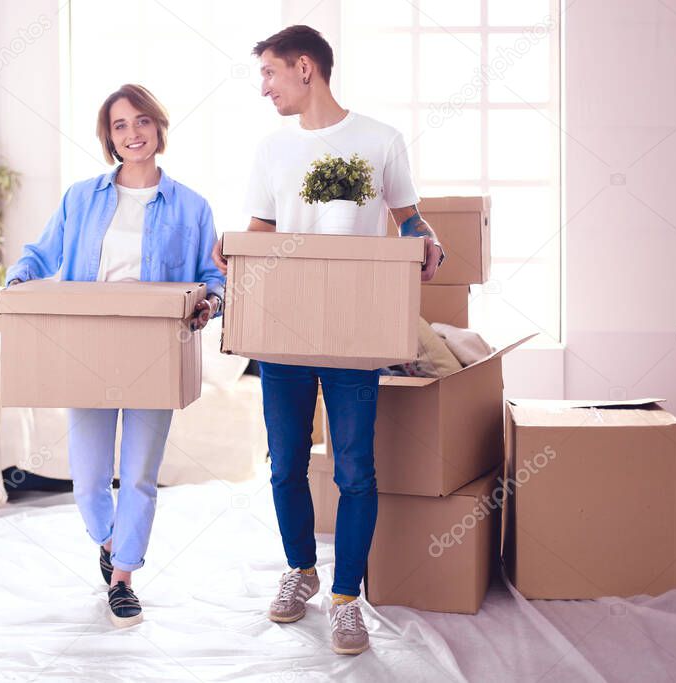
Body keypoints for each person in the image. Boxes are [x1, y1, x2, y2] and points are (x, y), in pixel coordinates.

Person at [212, 26, 445, 656]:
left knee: (355, 470)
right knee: (285, 463)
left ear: (305, 68)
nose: (263, 87)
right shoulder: (271, 150)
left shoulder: (380, 140)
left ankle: (346, 601)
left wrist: (431, 244)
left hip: (354, 333)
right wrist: (232, 249)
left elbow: (409, 219)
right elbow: (261, 230)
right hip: (283, 333)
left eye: (269, 74)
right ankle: (300, 570)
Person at [7, 84, 225, 628]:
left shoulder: (193, 206)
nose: (133, 133)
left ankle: (124, 577)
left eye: (141, 121)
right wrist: (17, 279)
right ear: (109, 137)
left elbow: (213, 276)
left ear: (159, 126)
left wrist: (211, 303)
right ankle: (109, 541)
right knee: (88, 476)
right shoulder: (81, 197)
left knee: (140, 475)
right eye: (120, 125)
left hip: (155, 351)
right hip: (87, 346)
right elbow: (42, 252)